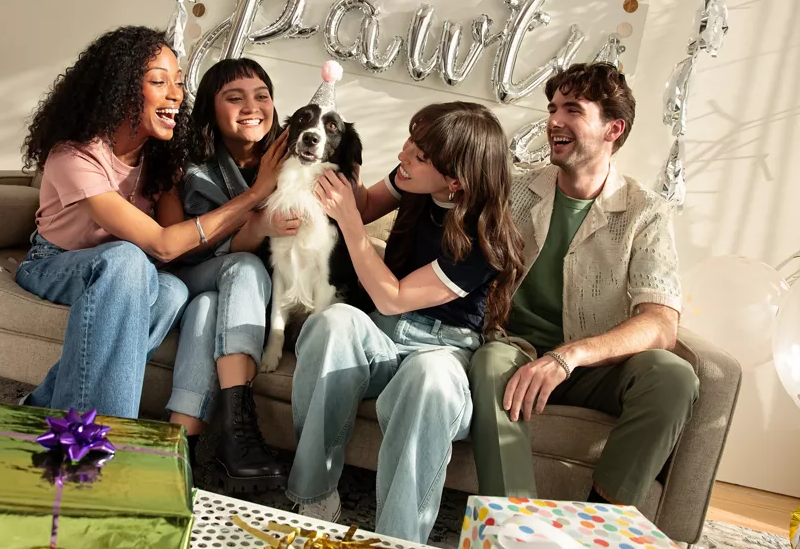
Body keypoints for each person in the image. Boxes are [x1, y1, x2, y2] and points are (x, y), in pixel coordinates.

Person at [284, 95, 525, 544]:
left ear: (455, 180)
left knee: (428, 378)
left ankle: (398, 539)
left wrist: (352, 226)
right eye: (410, 144)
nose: (402, 156)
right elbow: (364, 202)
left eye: (418, 154)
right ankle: (314, 496)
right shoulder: (413, 180)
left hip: (442, 351)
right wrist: (334, 161)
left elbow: (393, 297)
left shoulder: (483, 240)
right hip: (383, 336)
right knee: (333, 323)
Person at [468, 62, 699, 507]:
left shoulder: (646, 212)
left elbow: (660, 324)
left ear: (614, 128)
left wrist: (570, 356)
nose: (554, 119)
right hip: (513, 347)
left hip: (595, 367)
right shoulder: (513, 191)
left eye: (572, 109)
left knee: (673, 376)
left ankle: (598, 521)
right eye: (552, 107)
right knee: (493, 364)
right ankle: (516, 524)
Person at [18, 26, 210, 420]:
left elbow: (171, 255)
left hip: (125, 273)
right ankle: (103, 437)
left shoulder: (157, 163)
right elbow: (162, 244)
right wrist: (252, 197)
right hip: (55, 263)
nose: (176, 93)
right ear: (121, 89)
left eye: (178, 82)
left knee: (172, 289)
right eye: (159, 81)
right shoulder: (74, 155)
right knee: (126, 258)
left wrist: (173, 179)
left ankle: (45, 412)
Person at [154, 58, 291, 492]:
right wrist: (257, 204)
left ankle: (181, 449)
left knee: (210, 307)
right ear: (211, 112)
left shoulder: (294, 159)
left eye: (261, 96)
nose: (252, 106)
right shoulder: (184, 162)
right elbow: (176, 250)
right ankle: (239, 431)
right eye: (234, 97)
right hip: (187, 275)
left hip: (244, 297)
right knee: (241, 266)